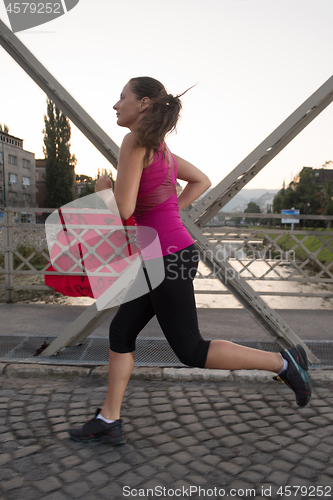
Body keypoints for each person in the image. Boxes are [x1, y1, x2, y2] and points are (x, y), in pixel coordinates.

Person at [68, 77, 311, 444]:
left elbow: (124, 208)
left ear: (144, 103)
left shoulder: (134, 142)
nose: (115, 105)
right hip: (166, 254)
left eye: (122, 98)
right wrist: (171, 214)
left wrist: (104, 189)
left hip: (164, 258)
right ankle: (108, 419)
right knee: (121, 333)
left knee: (190, 349)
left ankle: (284, 363)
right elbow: (202, 180)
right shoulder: (162, 150)